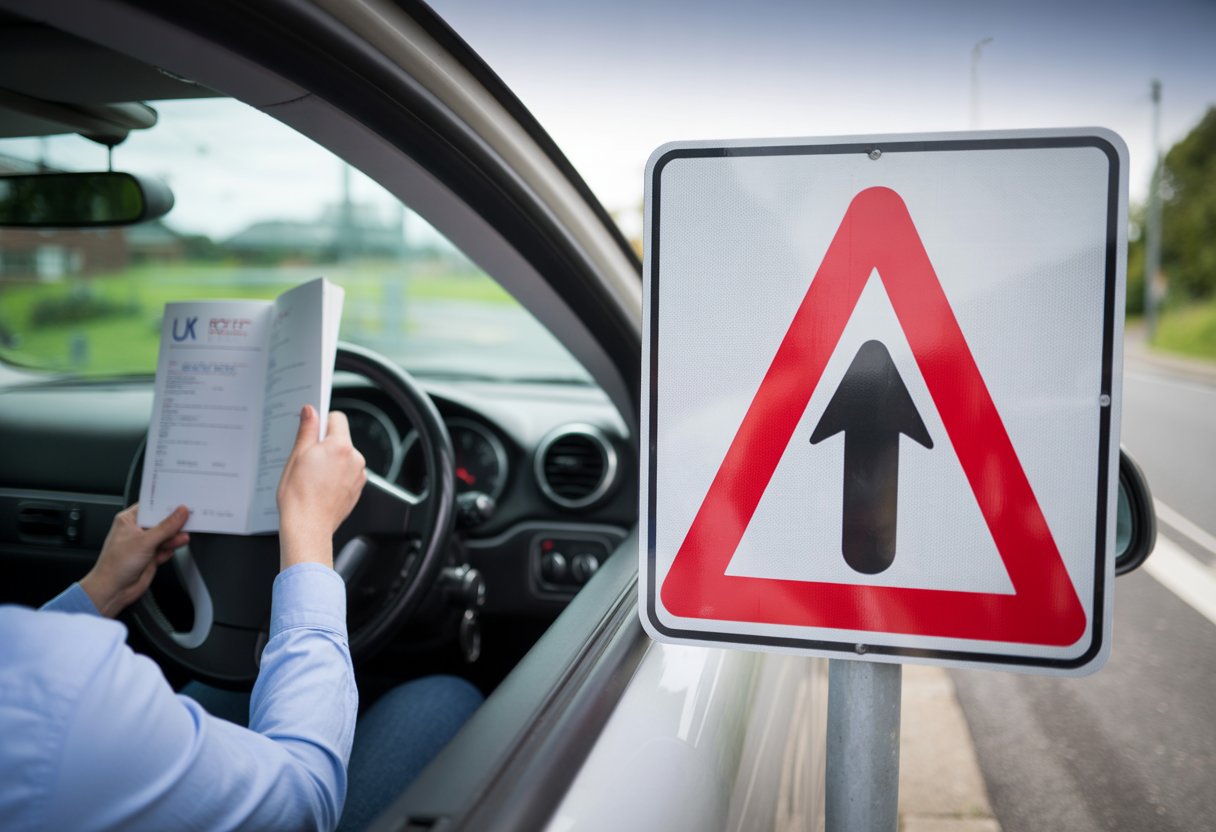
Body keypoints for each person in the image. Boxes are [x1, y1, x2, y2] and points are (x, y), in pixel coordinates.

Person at [0, 406, 481, 832]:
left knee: (230, 688)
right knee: (444, 695)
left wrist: (99, 589)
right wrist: (309, 525)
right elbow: (302, 802)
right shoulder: (67, 702)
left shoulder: (39, 681)